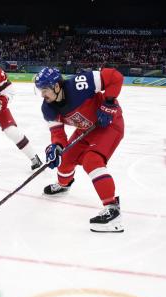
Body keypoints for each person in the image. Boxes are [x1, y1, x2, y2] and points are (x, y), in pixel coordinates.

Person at [34, 66, 125, 233]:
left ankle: (113, 209)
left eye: (45, 90)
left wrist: (109, 102)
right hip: (86, 129)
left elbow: (115, 76)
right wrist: (56, 147)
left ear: (56, 86)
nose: (42, 94)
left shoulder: (80, 84)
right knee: (65, 157)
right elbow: (58, 134)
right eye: (40, 90)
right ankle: (64, 185)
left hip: (109, 125)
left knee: (92, 160)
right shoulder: (48, 108)